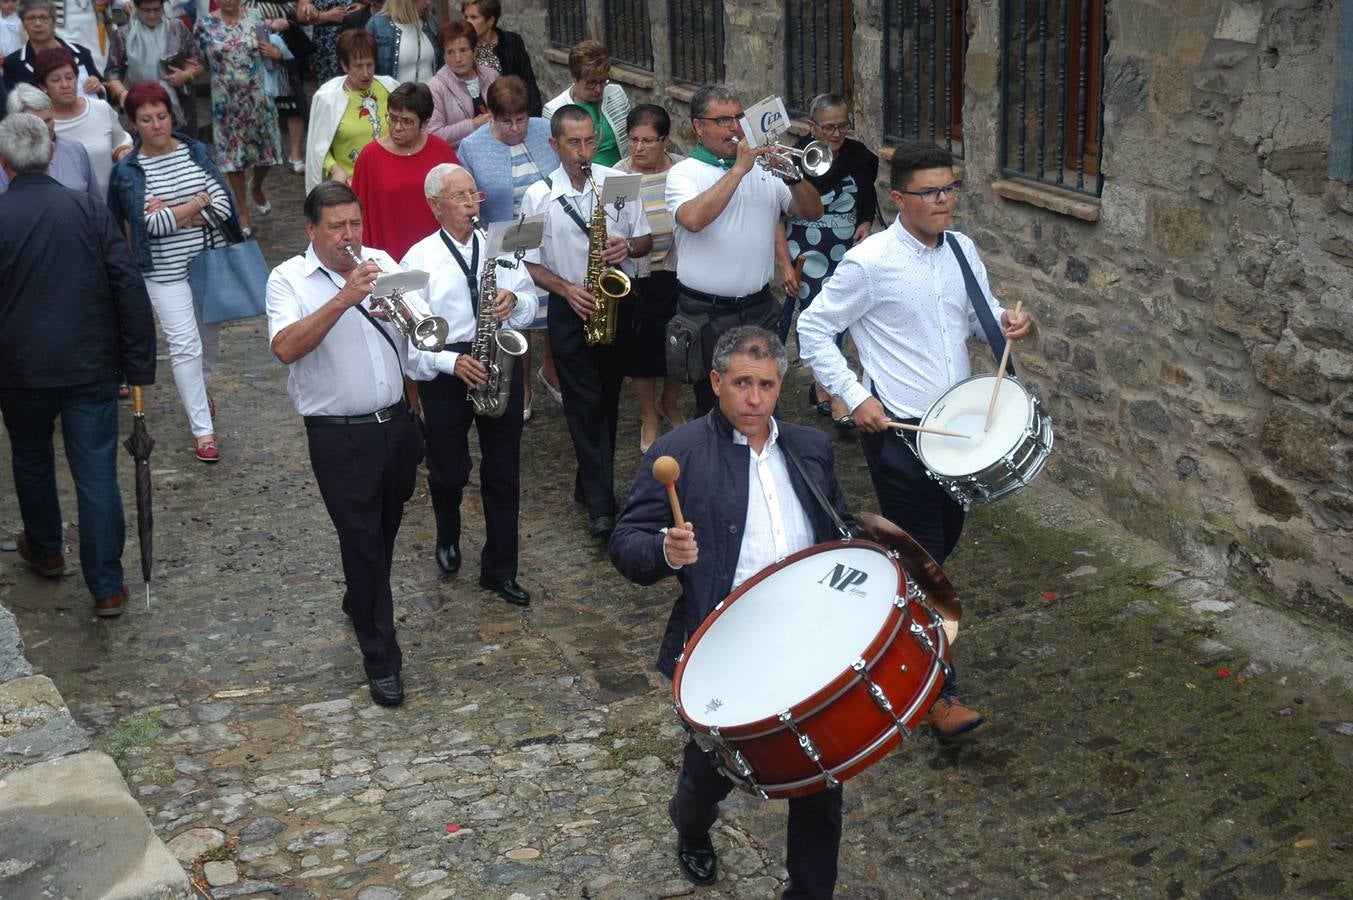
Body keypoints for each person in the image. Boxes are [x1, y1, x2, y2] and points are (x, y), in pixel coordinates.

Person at [797, 141, 1034, 740]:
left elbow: (981, 322)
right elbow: (813, 329)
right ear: (898, 197)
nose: (944, 201)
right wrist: (855, 397)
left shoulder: (963, 250)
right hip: (900, 433)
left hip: (960, 433)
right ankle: (937, 695)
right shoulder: (869, 262)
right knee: (929, 564)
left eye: (950, 188)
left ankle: (880, 625)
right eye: (930, 192)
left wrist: (1008, 321)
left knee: (936, 549)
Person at [610, 326, 852, 897]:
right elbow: (627, 542)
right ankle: (689, 824)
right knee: (710, 771)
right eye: (741, 383)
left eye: (766, 385)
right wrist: (663, 550)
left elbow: (837, 531)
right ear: (716, 382)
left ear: (779, 387)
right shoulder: (679, 453)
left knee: (820, 776)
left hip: (805, 640)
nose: (754, 398)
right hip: (721, 643)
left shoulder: (810, 448)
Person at [265, 182, 429, 707]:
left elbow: (423, 332)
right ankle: (382, 659)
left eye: (354, 223)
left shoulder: (380, 260)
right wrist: (345, 298)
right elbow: (286, 348)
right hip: (339, 435)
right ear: (311, 230)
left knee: (385, 524)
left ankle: (361, 592)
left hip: (396, 424)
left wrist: (400, 314)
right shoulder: (287, 279)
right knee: (360, 540)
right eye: (336, 226)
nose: (349, 236)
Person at [0, 112, 156, 619]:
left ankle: (46, 550)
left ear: (4, 164)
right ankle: (106, 586)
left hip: (21, 369)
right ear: (49, 153)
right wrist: (137, 365)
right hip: (89, 364)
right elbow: (126, 284)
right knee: (95, 474)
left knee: (31, 459)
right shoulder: (87, 209)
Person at [402, 162, 537, 604]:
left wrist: (514, 299)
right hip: (449, 365)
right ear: (434, 206)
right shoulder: (418, 259)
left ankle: (500, 570)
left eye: (473, 195)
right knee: (448, 469)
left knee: (503, 471)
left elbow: (532, 303)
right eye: (459, 197)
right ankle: (447, 532)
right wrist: (450, 362)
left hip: (498, 355)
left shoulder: (498, 244)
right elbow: (411, 338)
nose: (471, 204)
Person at [521, 104, 651, 539]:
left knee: (608, 399)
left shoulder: (616, 183)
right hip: (570, 306)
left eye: (589, 141)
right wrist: (565, 290)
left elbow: (646, 238)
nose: (583, 151)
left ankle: (587, 483)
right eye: (574, 143)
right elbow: (528, 262)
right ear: (554, 144)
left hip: (616, 301)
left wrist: (627, 248)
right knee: (584, 402)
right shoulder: (538, 196)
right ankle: (601, 503)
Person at [666, 84, 823, 416]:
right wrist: (739, 170)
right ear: (699, 126)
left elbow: (812, 212)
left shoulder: (765, 170)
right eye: (722, 120)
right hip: (707, 315)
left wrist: (792, 175)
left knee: (765, 404)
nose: (735, 127)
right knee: (716, 409)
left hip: (759, 308)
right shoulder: (685, 173)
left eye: (738, 117)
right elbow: (693, 219)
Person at [107, 82, 237, 463]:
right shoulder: (130, 171)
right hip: (163, 272)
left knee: (209, 341)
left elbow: (224, 207)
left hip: (208, 264)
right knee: (184, 345)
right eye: (146, 119)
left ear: (171, 114)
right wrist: (196, 203)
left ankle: (200, 387)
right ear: (133, 123)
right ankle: (203, 432)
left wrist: (174, 211)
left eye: (161, 116)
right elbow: (149, 226)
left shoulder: (195, 152)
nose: (156, 125)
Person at [774, 92, 878, 430]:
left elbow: (866, 196)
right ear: (812, 126)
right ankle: (833, 391)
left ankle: (823, 385)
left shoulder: (859, 156)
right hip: (807, 247)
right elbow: (777, 212)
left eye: (842, 126)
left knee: (844, 315)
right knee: (816, 317)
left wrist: (865, 223)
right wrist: (785, 265)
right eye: (829, 127)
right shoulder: (795, 158)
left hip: (847, 247)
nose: (837, 134)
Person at [455, 74, 556, 413]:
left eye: (521, 119)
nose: (515, 127)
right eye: (506, 121)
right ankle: (522, 386)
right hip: (503, 244)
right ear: (492, 116)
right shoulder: (472, 146)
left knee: (554, 312)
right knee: (517, 316)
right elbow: (470, 200)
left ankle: (553, 372)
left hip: (548, 237)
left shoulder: (545, 131)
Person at [615, 103, 685, 451]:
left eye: (648, 140)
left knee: (681, 345)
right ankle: (649, 416)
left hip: (679, 272)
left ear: (665, 141)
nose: (639, 148)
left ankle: (669, 401)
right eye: (633, 140)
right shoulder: (619, 177)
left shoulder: (683, 172)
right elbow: (613, 223)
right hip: (639, 277)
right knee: (641, 352)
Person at [195, 0, 283, 234]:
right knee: (234, 157)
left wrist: (275, 53)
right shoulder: (205, 24)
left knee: (267, 153)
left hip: (258, 96)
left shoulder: (255, 17)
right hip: (226, 102)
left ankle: (257, 186)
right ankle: (242, 209)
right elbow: (199, 61)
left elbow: (271, 54)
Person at [351, 81, 458, 260]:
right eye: (392, 118)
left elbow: (459, 200)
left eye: (407, 121)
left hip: (437, 256)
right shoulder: (370, 156)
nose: (397, 127)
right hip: (389, 255)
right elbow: (357, 213)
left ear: (424, 124)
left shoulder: (441, 150)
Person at [305, 28, 397, 193]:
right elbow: (318, 149)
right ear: (344, 65)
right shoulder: (327, 98)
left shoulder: (390, 88)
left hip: (391, 181)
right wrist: (334, 169)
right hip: (351, 187)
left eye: (369, 65)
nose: (365, 73)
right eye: (358, 66)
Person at [36, 47, 129, 193]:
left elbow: (121, 142)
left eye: (70, 77)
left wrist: (122, 151)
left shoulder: (101, 109)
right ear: (43, 86)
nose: (65, 85)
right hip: (70, 209)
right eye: (55, 80)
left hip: (113, 203)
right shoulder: (43, 124)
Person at [103, 0, 203, 134]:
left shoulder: (176, 27)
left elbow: (199, 63)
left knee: (185, 149)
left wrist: (186, 75)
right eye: (146, 10)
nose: (152, 15)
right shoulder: (124, 34)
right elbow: (112, 73)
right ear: (136, 7)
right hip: (144, 106)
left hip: (180, 105)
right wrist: (123, 94)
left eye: (157, 10)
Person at [541, 39, 627, 167]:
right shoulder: (554, 110)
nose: (598, 89)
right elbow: (553, 158)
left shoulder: (617, 94)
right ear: (574, 78)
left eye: (603, 81)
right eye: (591, 83)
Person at [0, 82, 97, 193]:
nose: (45, 128)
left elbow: (94, 201)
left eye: (48, 120)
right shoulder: (5, 161)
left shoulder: (74, 148)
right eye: (37, 123)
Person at [3, 0, 103, 94]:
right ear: (23, 24)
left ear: (54, 22)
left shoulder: (81, 53)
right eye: (31, 18)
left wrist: (98, 86)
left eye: (43, 18)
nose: (38, 24)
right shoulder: (13, 63)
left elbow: (103, 90)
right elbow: (10, 104)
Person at [459, 0, 538, 116]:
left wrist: (532, 118)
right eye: (466, 17)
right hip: (478, 117)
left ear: (490, 21)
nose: (468, 22)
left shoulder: (512, 42)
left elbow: (528, 83)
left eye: (474, 17)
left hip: (514, 111)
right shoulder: (462, 47)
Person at [255, 0, 308, 172]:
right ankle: (264, 153)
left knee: (293, 106)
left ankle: (296, 154)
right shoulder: (250, 6)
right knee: (262, 109)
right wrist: (269, 25)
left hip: (288, 59)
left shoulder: (288, 4)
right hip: (258, 60)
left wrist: (288, 23)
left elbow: (300, 17)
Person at [425, 20, 493, 148]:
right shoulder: (436, 87)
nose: (458, 59)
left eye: (463, 50)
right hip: (457, 157)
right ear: (443, 56)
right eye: (450, 52)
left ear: (474, 51)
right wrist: (472, 125)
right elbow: (433, 135)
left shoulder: (491, 76)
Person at [365, 0, 438, 83]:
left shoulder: (431, 23)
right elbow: (364, 67)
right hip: (393, 94)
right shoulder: (377, 26)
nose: (428, 2)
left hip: (430, 94)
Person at [295, 0, 359, 84]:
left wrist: (362, 6)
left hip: (355, 37)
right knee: (329, 83)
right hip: (326, 42)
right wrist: (327, 16)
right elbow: (301, 16)